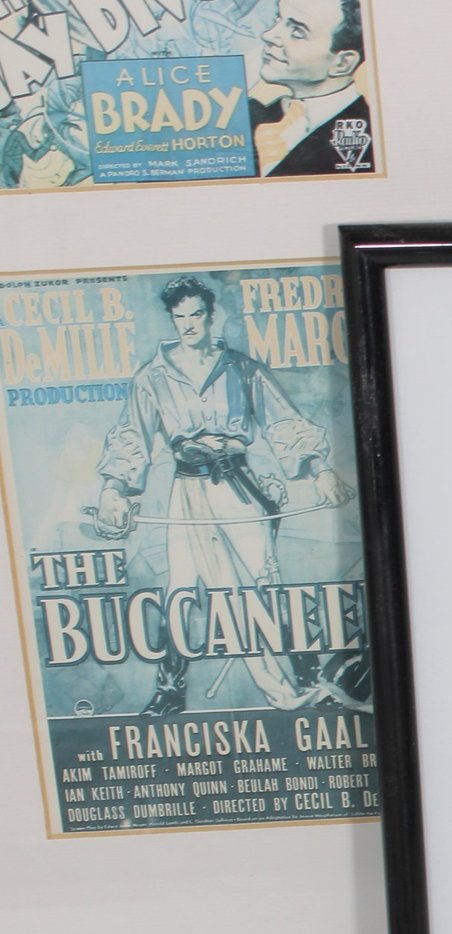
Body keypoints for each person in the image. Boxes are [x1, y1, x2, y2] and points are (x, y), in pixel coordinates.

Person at [93, 277, 355, 715]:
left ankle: (310, 678)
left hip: (238, 487)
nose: (187, 324)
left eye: (196, 314)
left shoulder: (241, 368)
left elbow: (284, 421)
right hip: (186, 489)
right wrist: (112, 489)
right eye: (179, 316)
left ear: (211, 316)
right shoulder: (153, 376)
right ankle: (170, 690)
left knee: (266, 581)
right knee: (180, 589)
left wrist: (321, 470)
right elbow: (130, 436)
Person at [250, 0, 374, 176]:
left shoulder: (372, 134)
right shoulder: (254, 114)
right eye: (278, 19)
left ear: (342, 63)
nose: (268, 35)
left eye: (297, 32)